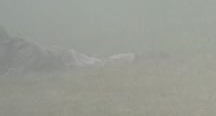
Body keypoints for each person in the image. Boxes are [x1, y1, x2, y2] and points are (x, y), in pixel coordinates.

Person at [0, 26, 134, 76]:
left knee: (101, 64)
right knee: (95, 60)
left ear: (5, 42)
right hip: (60, 57)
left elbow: (15, 75)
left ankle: (132, 57)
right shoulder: (9, 52)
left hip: (67, 60)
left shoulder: (26, 50)